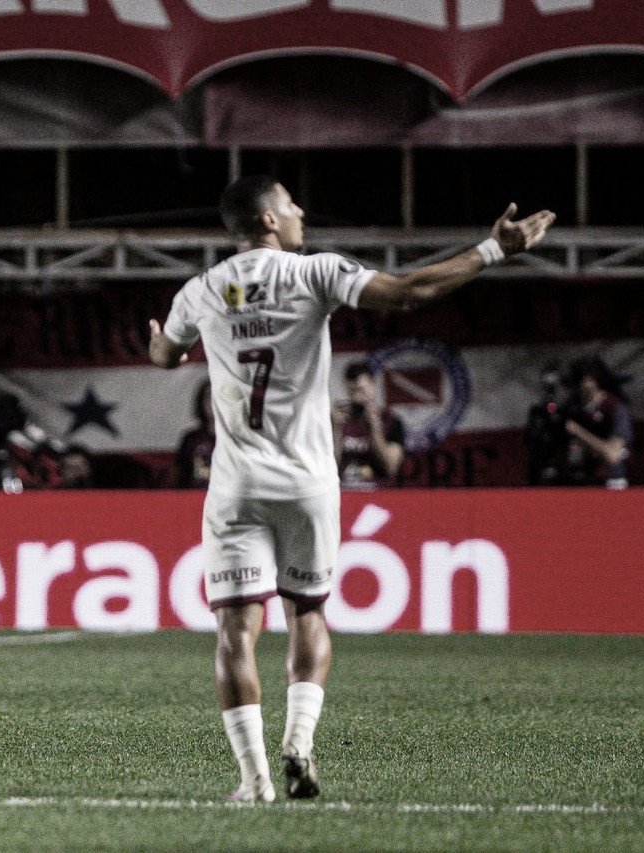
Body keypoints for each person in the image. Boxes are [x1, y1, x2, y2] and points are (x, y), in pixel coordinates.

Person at [148, 176, 553, 802]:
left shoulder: (200, 292)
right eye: (290, 203)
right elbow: (409, 292)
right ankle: (299, 742)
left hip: (235, 485)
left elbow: (164, 356)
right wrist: (493, 250)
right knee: (307, 612)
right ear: (268, 220)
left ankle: (253, 780)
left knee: (235, 629)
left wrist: (160, 343)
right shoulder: (313, 275)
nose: (301, 210)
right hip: (308, 483)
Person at [334, 360, 406, 490]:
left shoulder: (391, 421)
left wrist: (375, 428)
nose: (356, 397)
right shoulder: (338, 421)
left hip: (380, 497)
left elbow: (391, 467)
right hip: (344, 494)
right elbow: (329, 466)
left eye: (361, 390)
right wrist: (336, 429)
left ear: (373, 385)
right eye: (352, 391)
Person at [563, 357, 632, 489]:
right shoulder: (576, 411)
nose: (584, 387)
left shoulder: (614, 408)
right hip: (583, 483)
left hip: (612, 483)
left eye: (588, 381)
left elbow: (613, 455)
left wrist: (578, 432)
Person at [176, 380, 216, 488]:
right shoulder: (192, 440)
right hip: (195, 499)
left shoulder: (240, 438)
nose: (213, 401)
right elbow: (181, 478)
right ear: (201, 402)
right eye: (208, 397)